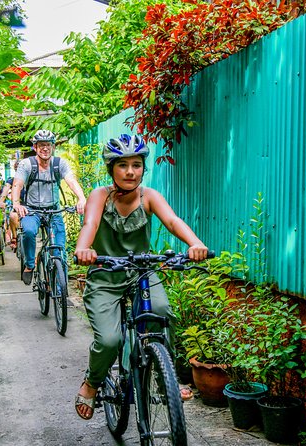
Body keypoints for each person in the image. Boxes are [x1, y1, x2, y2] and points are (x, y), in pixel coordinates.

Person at [73, 133, 208, 420]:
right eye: (123, 165)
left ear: (143, 168)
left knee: (161, 312)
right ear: (111, 169)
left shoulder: (150, 197)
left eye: (136, 164)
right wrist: (83, 248)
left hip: (142, 274)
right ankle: (92, 382)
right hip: (105, 277)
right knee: (109, 340)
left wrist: (194, 244)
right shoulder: (100, 196)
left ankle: (163, 375)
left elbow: (173, 221)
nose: (130, 171)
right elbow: (91, 222)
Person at [11, 130, 87, 285]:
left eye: (48, 145)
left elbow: (71, 181)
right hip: (32, 210)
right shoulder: (27, 164)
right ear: (35, 147)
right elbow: (17, 184)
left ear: (53, 147)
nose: (45, 148)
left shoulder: (60, 164)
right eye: (41, 145)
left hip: (54, 210)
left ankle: (60, 292)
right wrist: (16, 203)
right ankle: (30, 264)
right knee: (29, 231)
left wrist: (82, 198)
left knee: (60, 249)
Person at [0, 159, 24, 249]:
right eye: (17, 168)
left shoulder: (30, 179)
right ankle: (15, 237)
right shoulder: (11, 180)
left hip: (29, 206)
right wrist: (1, 200)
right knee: (13, 216)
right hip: (17, 205)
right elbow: (6, 189)